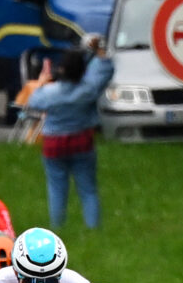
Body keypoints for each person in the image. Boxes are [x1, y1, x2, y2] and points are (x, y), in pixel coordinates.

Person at [15, 36, 113, 227]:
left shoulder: (51, 93)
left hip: (54, 144)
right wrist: (99, 49)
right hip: (82, 141)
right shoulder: (88, 90)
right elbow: (105, 69)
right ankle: (93, 226)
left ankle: (58, 227)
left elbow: (33, 101)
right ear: (83, 71)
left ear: (61, 69)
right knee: (88, 189)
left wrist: (44, 81)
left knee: (56, 188)